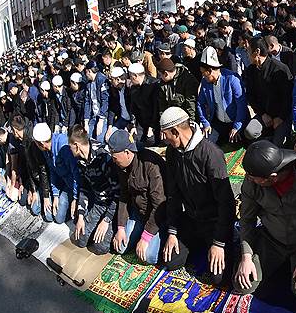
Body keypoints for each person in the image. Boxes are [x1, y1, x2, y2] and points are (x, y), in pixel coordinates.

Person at [233, 140, 296, 298]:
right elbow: (247, 219)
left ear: (272, 178)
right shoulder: (253, 179)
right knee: (243, 283)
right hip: (272, 239)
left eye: (252, 177)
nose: (248, 179)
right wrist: (246, 257)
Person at [160, 107, 236, 284]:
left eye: (166, 134)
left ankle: (222, 246)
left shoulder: (211, 153)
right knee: (171, 260)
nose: (164, 139)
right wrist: (172, 231)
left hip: (214, 222)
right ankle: (201, 245)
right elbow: (173, 194)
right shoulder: (172, 153)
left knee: (219, 277)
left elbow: (226, 203)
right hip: (192, 219)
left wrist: (219, 243)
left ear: (175, 132)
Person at [108, 130, 168, 265]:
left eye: (115, 157)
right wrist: (121, 227)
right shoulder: (121, 165)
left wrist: (146, 236)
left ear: (127, 153)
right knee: (120, 247)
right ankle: (138, 233)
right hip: (138, 212)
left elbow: (160, 205)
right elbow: (124, 195)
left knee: (148, 257)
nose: (113, 160)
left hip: (158, 216)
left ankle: (158, 236)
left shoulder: (150, 164)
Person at [67, 126, 120, 255]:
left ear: (77, 145)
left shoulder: (103, 156)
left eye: (70, 146)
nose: (70, 150)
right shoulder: (80, 160)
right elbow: (84, 187)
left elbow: (119, 194)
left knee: (99, 247)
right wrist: (80, 215)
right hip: (98, 204)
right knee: (79, 239)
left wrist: (106, 220)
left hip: (115, 207)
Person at [242, 38, 293, 147]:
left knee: (277, 145)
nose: (247, 54)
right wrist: (262, 114)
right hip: (264, 116)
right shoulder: (251, 70)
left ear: (257, 52)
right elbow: (250, 95)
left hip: (281, 116)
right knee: (249, 132)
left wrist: (281, 118)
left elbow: (288, 97)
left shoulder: (280, 69)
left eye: (248, 51)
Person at [197, 46, 248, 144]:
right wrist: (205, 123)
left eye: (204, 73)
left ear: (210, 70)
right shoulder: (205, 82)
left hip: (235, 120)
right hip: (219, 122)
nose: (203, 76)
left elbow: (241, 105)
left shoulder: (232, 78)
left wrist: (237, 126)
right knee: (206, 143)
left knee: (240, 141)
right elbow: (200, 103)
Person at [31, 122, 78, 225]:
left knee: (58, 218)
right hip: (61, 183)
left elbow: (76, 174)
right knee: (48, 215)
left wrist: (75, 197)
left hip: (72, 186)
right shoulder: (46, 151)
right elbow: (53, 171)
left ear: (41, 144)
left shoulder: (63, 147)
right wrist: (55, 194)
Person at [127, 62, 161, 145]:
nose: (129, 79)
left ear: (135, 76)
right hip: (141, 122)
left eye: (130, 76)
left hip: (154, 122)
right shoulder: (133, 88)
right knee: (135, 141)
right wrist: (133, 125)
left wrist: (152, 126)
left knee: (151, 141)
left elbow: (156, 108)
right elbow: (133, 108)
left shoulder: (153, 85)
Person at [157, 58, 199, 122]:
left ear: (166, 74)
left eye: (160, 75)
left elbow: (191, 103)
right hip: (170, 118)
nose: (160, 78)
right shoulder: (162, 84)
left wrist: (191, 122)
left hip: (185, 118)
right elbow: (162, 104)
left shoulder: (188, 80)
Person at [82, 61, 109, 143]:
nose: (85, 75)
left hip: (103, 115)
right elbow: (87, 102)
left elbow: (105, 101)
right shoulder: (88, 84)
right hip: (94, 115)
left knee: (99, 139)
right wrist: (86, 121)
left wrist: (101, 120)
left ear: (89, 71)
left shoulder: (102, 80)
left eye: (86, 72)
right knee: (88, 138)